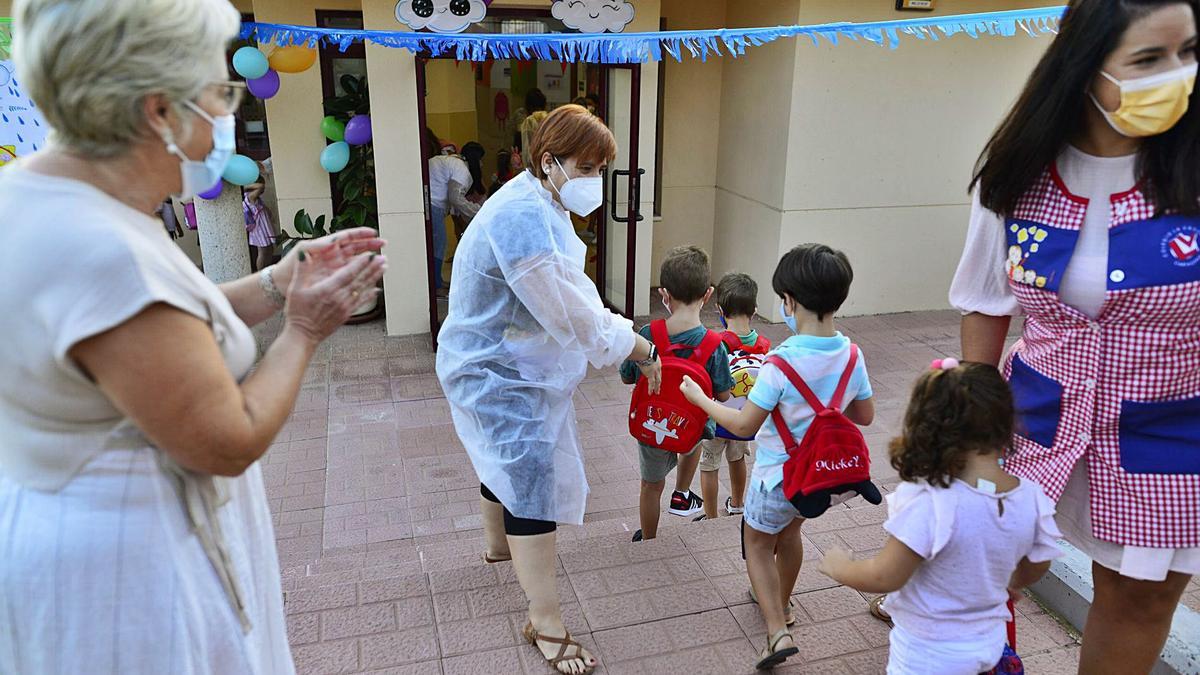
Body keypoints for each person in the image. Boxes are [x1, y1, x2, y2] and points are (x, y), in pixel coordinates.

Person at [0, 1, 388, 673]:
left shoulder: (35, 195)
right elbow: (226, 437)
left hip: (77, 536)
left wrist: (276, 279)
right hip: (131, 570)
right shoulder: (101, 250)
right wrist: (304, 328)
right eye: (218, 90)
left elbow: (173, 327)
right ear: (158, 109)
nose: (226, 111)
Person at [941, 1, 1199, 672]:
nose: (1177, 74)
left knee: (1136, 599)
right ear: (1085, 67)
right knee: (993, 561)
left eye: (1189, 52)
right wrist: (974, 434)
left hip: (1170, 434)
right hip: (1037, 420)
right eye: (1148, 59)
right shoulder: (1016, 175)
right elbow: (985, 302)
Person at [436, 104, 662, 675]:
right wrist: (639, 345)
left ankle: (496, 546)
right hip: (495, 367)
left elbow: (573, 292)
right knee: (529, 476)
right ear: (548, 160)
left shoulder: (543, 200)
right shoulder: (522, 217)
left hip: (509, 358)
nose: (594, 181)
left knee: (504, 458)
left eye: (599, 168)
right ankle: (547, 622)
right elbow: (574, 314)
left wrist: (614, 328)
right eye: (585, 167)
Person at [681, 243, 875, 670]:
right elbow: (864, 414)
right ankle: (783, 605)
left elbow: (744, 425)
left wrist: (699, 398)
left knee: (757, 542)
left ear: (789, 300)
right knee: (790, 537)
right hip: (820, 476)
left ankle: (776, 630)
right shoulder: (852, 354)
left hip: (775, 478)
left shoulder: (781, 363)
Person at [819, 361, 1062, 674]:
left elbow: (886, 576)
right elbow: (1039, 563)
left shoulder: (931, 502)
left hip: (927, 655)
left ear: (928, 430)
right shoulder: (1031, 497)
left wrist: (843, 569)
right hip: (987, 645)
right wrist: (1010, 582)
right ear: (1007, 424)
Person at [620, 246, 734, 539]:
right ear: (708, 295)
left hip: (652, 425)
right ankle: (682, 491)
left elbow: (626, 376)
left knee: (650, 487)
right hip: (690, 430)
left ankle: (648, 538)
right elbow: (722, 396)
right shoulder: (714, 344)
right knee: (697, 436)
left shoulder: (647, 336)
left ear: (663, 294)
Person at [697, 272, 770, 520]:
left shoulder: (714, 344)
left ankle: (710, 516)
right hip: (745, 419)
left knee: (709, 466)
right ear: (755, 309)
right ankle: (737, 504)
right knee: (737, 459)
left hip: (716, 420)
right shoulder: (764, 345)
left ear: (719, 309)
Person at [425, 127, 480, 294]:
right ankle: (435, 284)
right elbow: (456, 198)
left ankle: (437, 281)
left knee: (436, 244)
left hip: (430, 203)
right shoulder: (462, 169)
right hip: (432, 205)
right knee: (439, 244)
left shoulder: (450, 162)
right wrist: (479, 212)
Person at [245, 156, 279, 271]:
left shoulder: (256, 198)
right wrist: (248, 182)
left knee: (269, 249)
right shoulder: (250, 197)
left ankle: (267, 269)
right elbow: (260, 186)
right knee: (263, 251)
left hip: (263, 227)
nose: (263, 189)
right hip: (259, 229)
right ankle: (260, 273)